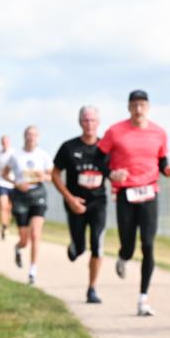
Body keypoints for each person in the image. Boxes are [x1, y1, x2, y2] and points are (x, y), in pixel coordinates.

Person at [99, 90, 170, 316]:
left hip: (149, 192)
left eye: (142, 105)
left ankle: (143, 298)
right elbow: (99, 158)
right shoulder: (115, 131)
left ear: (148, 107)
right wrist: (111, 173)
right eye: (134, 105)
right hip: (126, 193)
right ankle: (123, 257)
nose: (138, 109)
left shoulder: (159, 133)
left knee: (148, 245)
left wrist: (167, 169)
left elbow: (162, 161)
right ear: (128, 107)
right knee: (128, 244)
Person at [52, 105, 109, 304]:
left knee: (97, 245)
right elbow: (55, 173)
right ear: (80, 122)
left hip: (98, 203)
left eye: (93, 120)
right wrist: (69, 198)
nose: (89, 124)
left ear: (98, 123)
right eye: (86, 120)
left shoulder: (105, 148)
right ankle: (76, 245)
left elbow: (114, 172)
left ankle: (92, 288)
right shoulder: (69, 147)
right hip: (75, 202)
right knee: (81, 248)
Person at [4, 125, 52, 285]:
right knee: (24, 239)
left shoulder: (43, 155)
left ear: (38, 137)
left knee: (36, 234)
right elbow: (4, 174)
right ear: (24, 136)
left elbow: (53, 176)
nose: (31, 137)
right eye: (28, 134)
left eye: (34, 135)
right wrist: (16, 183)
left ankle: (32, 270)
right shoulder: (15, 156)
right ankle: (18, 248)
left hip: (38, 195)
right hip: (20, 197)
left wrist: (43, 176)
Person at [0, 135, 15, 240]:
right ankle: (4, 226)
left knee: (9, 208)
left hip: (12, 182)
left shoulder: (14, 153)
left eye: (6, 141)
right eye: (3, 141)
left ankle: (6, 226)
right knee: (3, 205)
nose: (5, 143)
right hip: (1, 182)